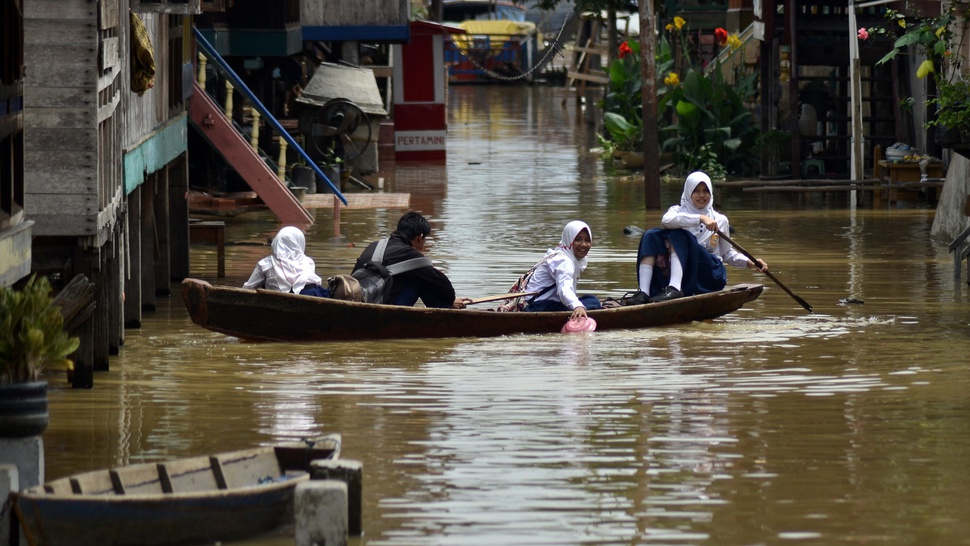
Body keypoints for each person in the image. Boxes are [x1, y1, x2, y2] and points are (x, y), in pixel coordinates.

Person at [628, 171, 767, 305]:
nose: (702, 195)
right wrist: (700, 218)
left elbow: (727, 254)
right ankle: (643, 292)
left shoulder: (720, 220)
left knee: (680, 236)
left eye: (705, 191)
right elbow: (666, 220)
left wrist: (750, 262)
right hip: (687, 275)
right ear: (689, 192)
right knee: (651, 235)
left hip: (708, 274)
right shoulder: (677, 211)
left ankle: (675, 289)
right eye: (696, 191)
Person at [354, 211, 469, 309]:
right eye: (425, 240)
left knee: (411, 275)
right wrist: (450, 301)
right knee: (422, 280)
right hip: (382, 308)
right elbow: (442, 283)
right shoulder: (410, 253)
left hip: (360, 301)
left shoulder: (374, 245)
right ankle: (445, 314)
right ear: (420, 238)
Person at [523, 220, 602, 320]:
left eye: (587, 240)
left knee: (589, 300)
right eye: (578, 240)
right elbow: (564, 288)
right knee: (593, 301)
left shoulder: (563, 253)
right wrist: (578, 306)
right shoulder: (564, 261)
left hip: (541, 305)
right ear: (569, 240)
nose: (584, 245)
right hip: (538, 307)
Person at [243, 226, 329, 297]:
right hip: (311, 295)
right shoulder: (308, 262)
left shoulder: (266, 263)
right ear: (300, 242)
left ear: (277, 242)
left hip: (276, 298)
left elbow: (249, 287)